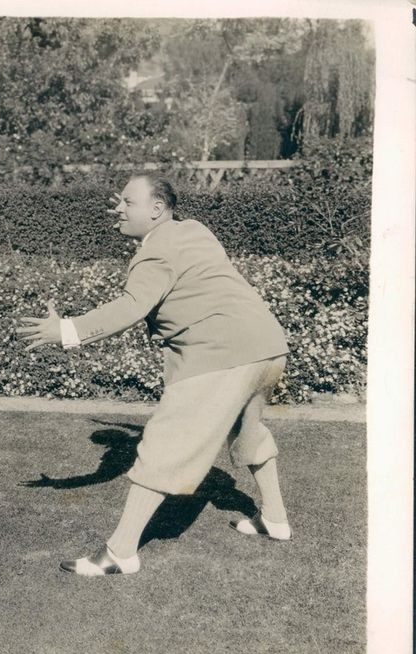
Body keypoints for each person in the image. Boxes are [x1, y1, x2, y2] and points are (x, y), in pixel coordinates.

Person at [17, 174, 291, 576]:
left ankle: (121, 552)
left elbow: (132, 306)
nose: (118, 209)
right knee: (248, 433)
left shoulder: (155, 250)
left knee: (164, 443)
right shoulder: (193, 230)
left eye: (128, 203)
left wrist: (67, 330)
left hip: (221, 354)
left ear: (157, 209)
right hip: (267, 347)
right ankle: (275, 519)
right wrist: (135, 202)